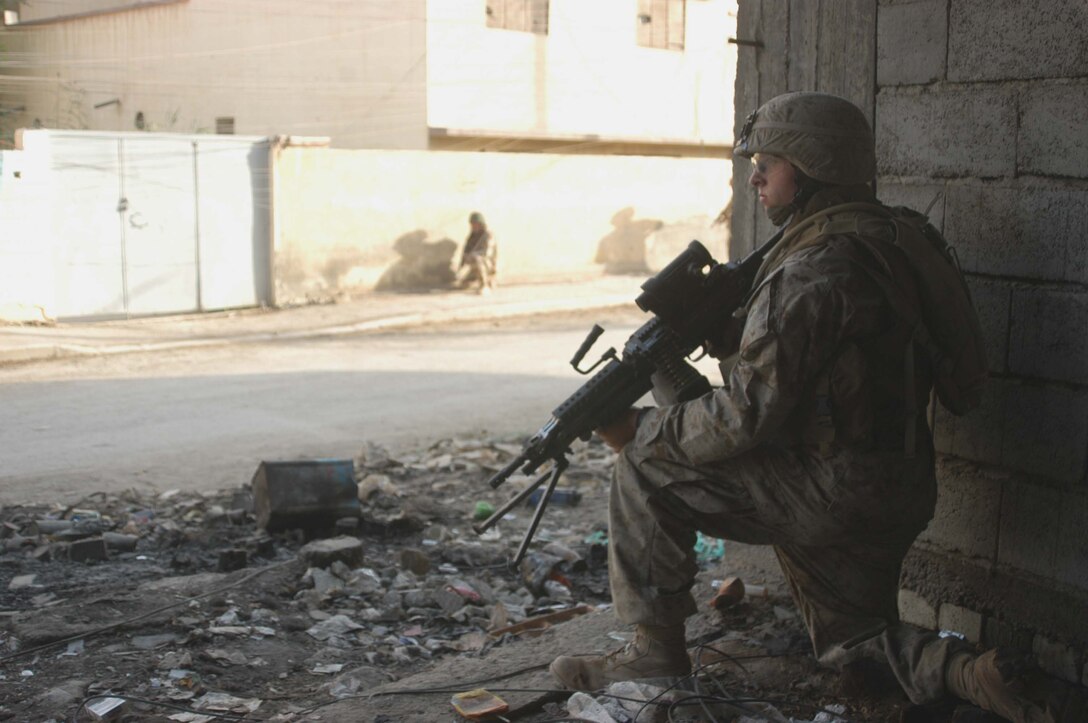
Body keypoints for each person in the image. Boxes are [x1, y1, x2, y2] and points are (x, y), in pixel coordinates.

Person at [549, 92, 1085, 722]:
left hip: (825, 492)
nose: (754, 178)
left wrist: (641, 428)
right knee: (851, 644)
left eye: (767, 165)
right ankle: (969, 672)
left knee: (643, 462)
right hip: (894, 485)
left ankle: (653, 653)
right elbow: (834, 358)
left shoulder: (809, 270)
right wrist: (732, 336)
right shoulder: (894, 237)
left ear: (808, 167)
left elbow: (743, 417)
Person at [456, 211, 497, 294]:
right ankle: (478, 279)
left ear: (481, 224)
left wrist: (473, 255)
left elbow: (487, 253)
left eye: (476, 224)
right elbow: (465, 251)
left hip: (488, 265)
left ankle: (485, 285)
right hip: (475, 266)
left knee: (477, 258)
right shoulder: (472, 236)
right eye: (472, 224)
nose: (474, 226)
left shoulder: (488, 235)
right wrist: (462, 265)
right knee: (463, 284)